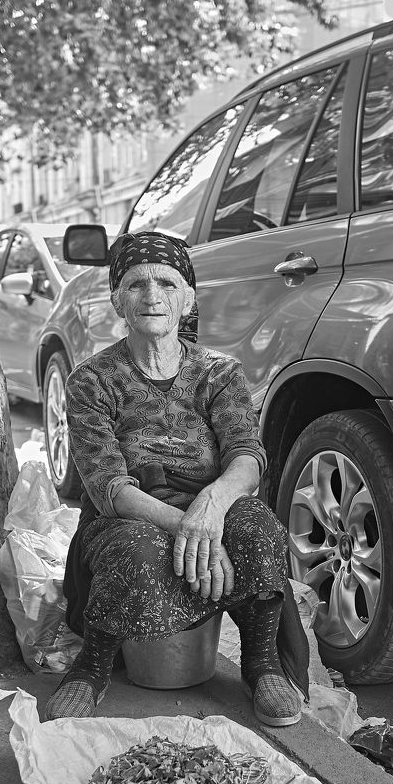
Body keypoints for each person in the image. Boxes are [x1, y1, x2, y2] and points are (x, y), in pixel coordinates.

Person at [45, 231, 309, 725]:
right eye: (136, 284)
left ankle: (262, 664)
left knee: (259, 532)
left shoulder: (218, 372)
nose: (152, 296)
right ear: (116, 299)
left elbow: (248, 456)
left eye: (167, 283)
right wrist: (185, 524)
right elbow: (108, 486)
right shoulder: (92, 380)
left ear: (188, 297)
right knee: (138, 551)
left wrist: (211, 504)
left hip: (212, 501)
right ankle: (92, 669)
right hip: (130, 512)